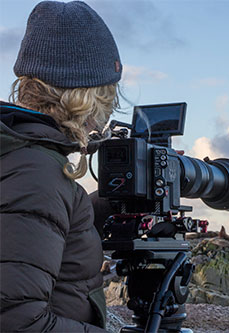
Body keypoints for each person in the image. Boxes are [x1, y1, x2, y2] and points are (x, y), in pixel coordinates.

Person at [0, 1, 122, 331]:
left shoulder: (21, 149)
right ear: (89, 96)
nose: (106, 116)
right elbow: (17, 322)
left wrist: (104, 204)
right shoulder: (37, 172)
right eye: (109, 97)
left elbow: (33, 225)